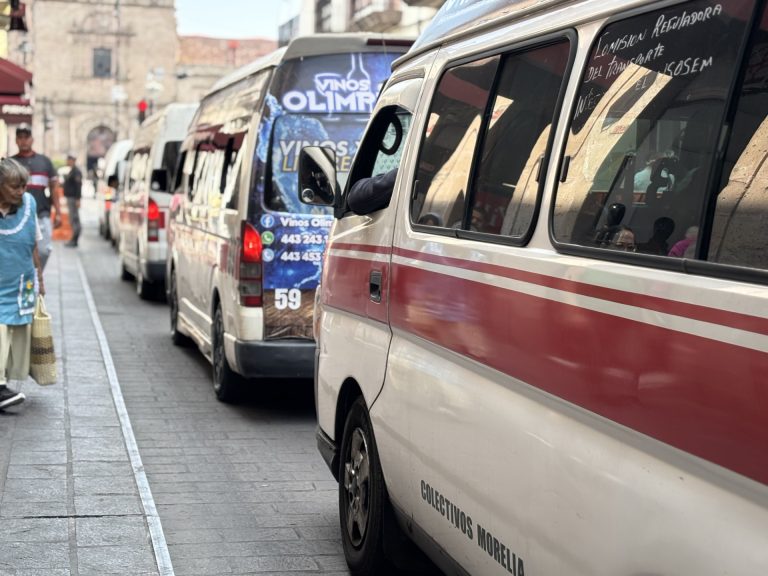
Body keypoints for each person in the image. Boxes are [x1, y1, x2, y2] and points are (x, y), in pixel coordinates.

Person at [0, 158, 45, 410]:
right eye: (14, 186)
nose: (20, 191)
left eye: (23, 186)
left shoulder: (29, 204)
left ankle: (4, 384)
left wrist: (40, 278)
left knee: (17, 333)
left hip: (22, 284)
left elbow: (33, 243)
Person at [12, 124, 59, 269]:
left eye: (26, 137)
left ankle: (36, 276)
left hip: (41, 214)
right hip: (15, 216)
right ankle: (26, 279)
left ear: (32, 139)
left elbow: (54, 188)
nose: (23, 141)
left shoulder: (45, 161)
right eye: (20, 137)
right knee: (19, 253)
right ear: (16, 140)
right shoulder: (10, 163)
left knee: (44, 251)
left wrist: (58, 212)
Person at [63, 153, 83, 247]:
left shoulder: (76, 172)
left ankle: (75, 238)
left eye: (69, 160)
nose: (67, 162)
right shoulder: (72, 171)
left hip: (73, 198)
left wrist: (78, 199)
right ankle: (74, 238)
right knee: (73, 218)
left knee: (74, 218)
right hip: (71, 198)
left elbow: (78, 186)